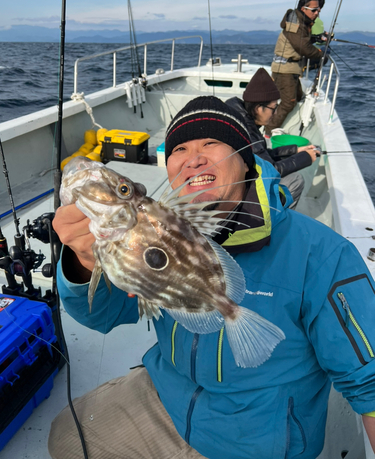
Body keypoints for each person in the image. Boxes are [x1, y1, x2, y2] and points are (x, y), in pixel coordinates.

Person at [48, 96, 375, 459]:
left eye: (211, 143)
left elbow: (370, 383)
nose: (194, 157)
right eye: (181, 148)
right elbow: (103, 316)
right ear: (170, 169)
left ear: (243, 159)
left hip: (255, 440)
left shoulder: (321, 253)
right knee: (66, 436)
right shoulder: (156, 228)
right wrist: (83, 258)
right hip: (169, 397)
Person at [226, 67, 318, 208]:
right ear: (258, 108)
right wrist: (306, 158)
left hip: (235, 180)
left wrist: (296, 150)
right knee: (295, 180)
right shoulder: (247, 131)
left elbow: (262, 154)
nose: (275, 113)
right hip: (236, 192)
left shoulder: (240, 116)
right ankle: (272, 222)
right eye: (273, 108)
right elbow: (270, 170)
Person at [267, 0, 327, 135]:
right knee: (289, 102)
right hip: (284, 69)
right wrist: (321, 54)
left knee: (298, 98)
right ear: (303, 9)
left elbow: (302, 41)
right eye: (314, 10)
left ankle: (275, 122)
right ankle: (268, 133)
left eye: (318, 10)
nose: (317, 13)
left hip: (292, 68)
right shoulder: (295, 22)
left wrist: (317, 38)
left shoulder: (302, 22)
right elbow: (303, 47)